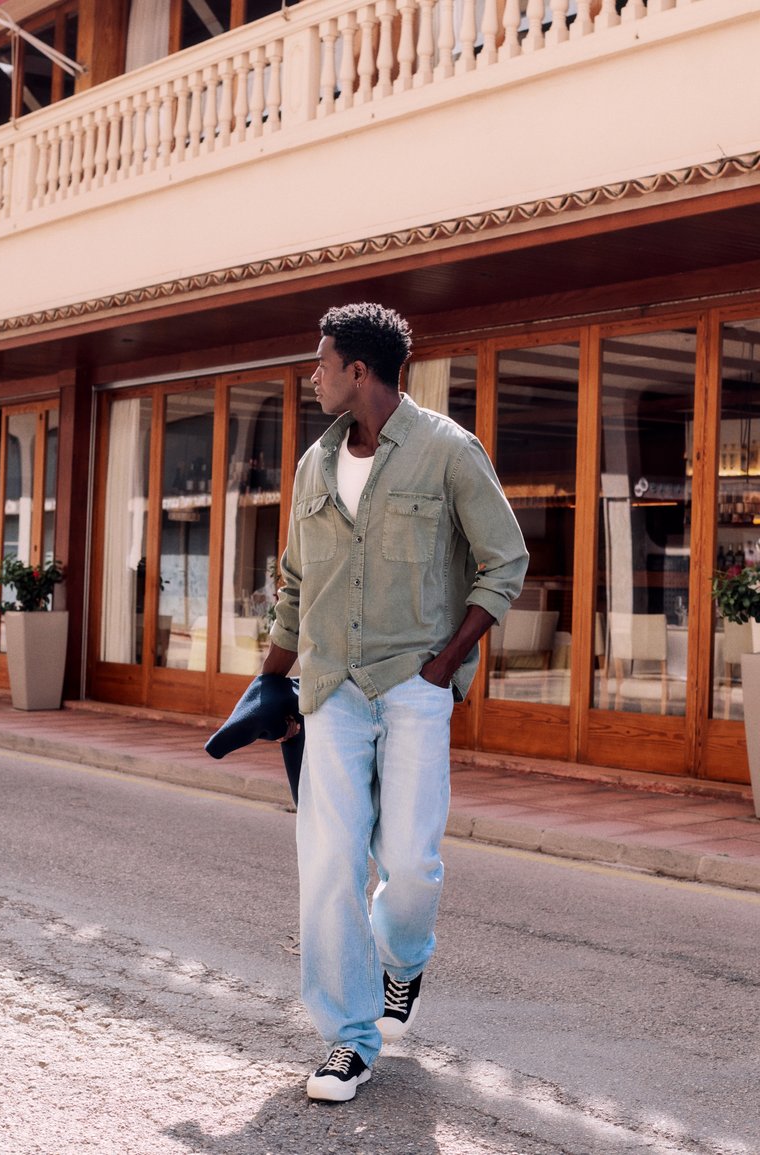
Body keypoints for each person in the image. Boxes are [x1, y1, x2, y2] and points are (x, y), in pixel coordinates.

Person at [261, 302, 528, 1102]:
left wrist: (445, 663)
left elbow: (503, 561)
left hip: (414, 686)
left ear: (360, 372)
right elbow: (294, 586)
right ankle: (348, 1037)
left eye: (322, 362)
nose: (312, 375)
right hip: (332, 690)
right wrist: (272, 683)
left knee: (409, 864)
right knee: (330, 862)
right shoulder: (314, 466)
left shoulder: (448, 451)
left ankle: (401, 963)